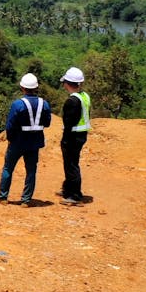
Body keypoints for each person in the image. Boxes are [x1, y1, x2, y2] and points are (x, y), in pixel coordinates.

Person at [0, 72, 51, 206]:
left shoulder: (17, 104)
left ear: (22, 88)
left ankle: (3, 197)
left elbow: (10, 126)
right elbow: (48, 123)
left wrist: (10, 139)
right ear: (36, 88)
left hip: (17, 142)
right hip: (34, 143)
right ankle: (26, 200)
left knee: (8, 168)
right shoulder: (44, 104)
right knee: (31, 170)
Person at [59, 67, 91, 205]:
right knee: (73, 163)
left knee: (71, 165)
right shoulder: (85, 96)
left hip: (73, 136)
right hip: (82, 134)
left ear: (67, 83)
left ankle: (74, 195)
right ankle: (69, 189)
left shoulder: (72, 101)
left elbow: (68, 123)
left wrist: (64, 140)